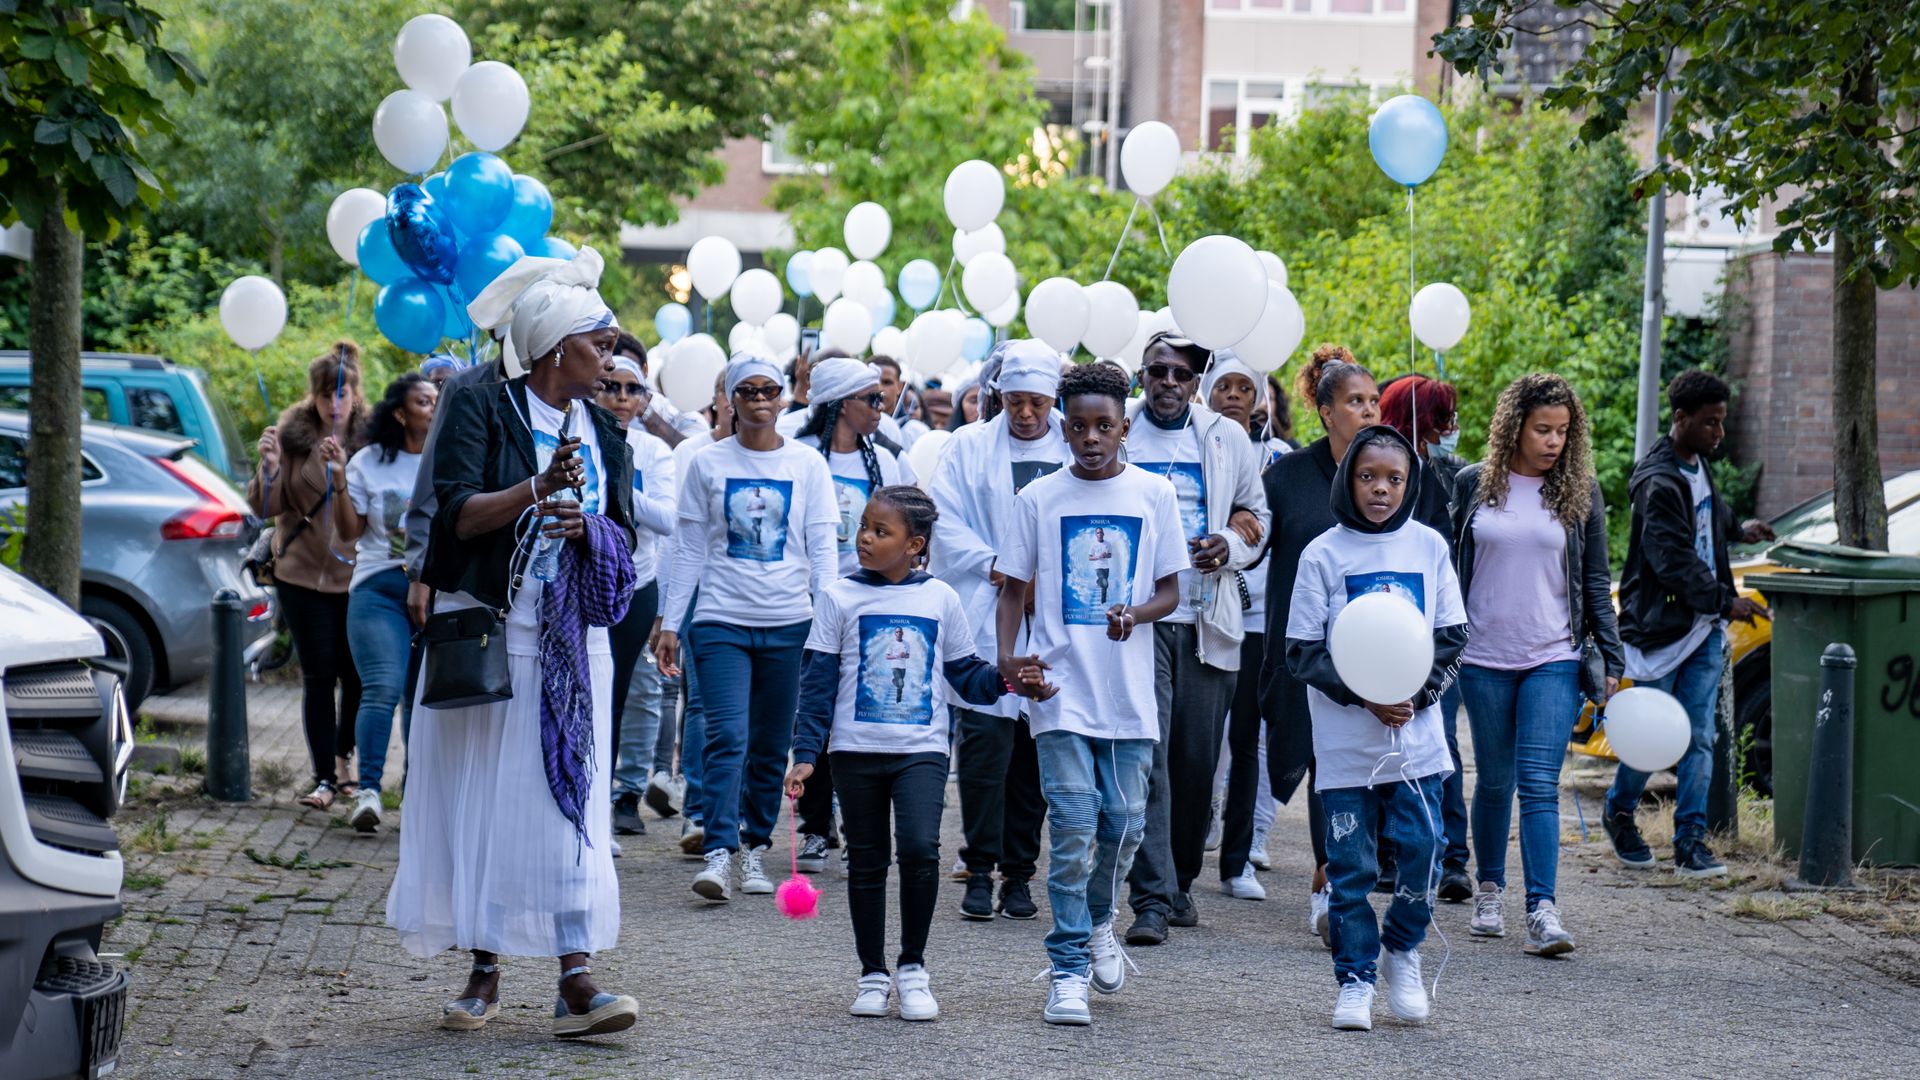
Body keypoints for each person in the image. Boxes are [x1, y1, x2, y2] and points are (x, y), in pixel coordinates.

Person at [391, 245, 642, 1038]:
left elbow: (626, 532)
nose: (610, 354)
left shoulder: (603, 428)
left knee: (572, 797)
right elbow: (459, 512)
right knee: (490, 799)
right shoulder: (480, 405)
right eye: (597, 342)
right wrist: (537, 491)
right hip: (499, 633)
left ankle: (576, 976)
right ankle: (484, 967)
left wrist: (586, 526)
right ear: (552, 348)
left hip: (577, 644)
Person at [785, 486, 1035, 1021]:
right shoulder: (838, 597)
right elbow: (817, 682)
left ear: (915, 544)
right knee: (868, 861)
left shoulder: (941, 598)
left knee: (921, 850)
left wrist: (1010, 681)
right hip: (853, 752)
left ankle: (913, 967)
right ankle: (872, 972)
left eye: (882, 531)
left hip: (920, 751)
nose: (866, 539)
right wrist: (807, 752)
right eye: (865, 527)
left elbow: (966, 673)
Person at [994, 361, 1188, 1026]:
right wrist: (1009, 658)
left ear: (1124, 426)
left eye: (1104, 425)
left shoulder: (1153, 495)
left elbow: (1171, 588)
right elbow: (1014, 588)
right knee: (1075, 827)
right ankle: (1069, 965)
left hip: (1129, 694)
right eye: (1077, 426)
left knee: (1125, 824)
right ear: (1062, 428)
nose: (1091, 437)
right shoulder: (1038, 499)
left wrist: (1137, 612)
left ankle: (1102, 918)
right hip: (1059, 691)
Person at [1257, 346, 1452, 938]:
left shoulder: (1420, 518)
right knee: (1331, 777)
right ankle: (1333, 889)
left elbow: (1448, 624)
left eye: (1373, 400)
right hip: (1319, 662)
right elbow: (1257, 542)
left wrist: (1414, 692)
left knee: (1414, 821)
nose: (1368, 410)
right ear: (1324, 410)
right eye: (1355, 401)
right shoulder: (1291, 482)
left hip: (1408, 695)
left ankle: (1398, 930)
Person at [1285, 424, 1467, 1031]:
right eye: (1368, 477)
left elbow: (1452, 636)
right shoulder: (1323, 554)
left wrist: (1415, 695)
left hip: (1415, 742)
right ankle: (1356, 977)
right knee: (1351, 866)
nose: (1381, 489)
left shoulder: (1429, 548)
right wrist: (1364, 696)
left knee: (1424, 850)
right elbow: (1302, 650)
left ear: (1410, 482)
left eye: (1394, 478)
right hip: (1344, 748)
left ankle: (1403, 950)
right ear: (1348, 480)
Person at [1450, 374, 1623, 954]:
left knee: (1540, 785)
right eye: (1542, 429)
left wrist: (1613, 660)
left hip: (1554, 654)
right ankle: (1490, 891)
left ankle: (1543, 910)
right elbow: (1451, 568)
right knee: (1494, 781)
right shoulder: (1474, 484)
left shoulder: (1580, 492)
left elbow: (1595, 581)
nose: (1553, 441)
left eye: (1563, 431)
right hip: (1482, 657)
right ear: (1515, 426)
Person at [657, 354, 838, 903]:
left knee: (767, 746)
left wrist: (827, 622)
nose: (760, 400)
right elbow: (688, 548)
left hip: (789, 624)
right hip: (719, 621)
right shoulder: (707, 463)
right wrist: (670, 620)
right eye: (748, 391)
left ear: (784, 398)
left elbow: (824, 551)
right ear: (730, 400)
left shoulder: (807, 465)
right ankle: (718, 850)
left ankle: (755, 848)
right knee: (726, 737)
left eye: (770, 391)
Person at [1122, 333, 1270, 945]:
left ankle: (1180, 879)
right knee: (1146, 756)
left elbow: (1255, 520)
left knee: (1194, 763)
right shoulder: (1119, 428)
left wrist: (1228, 545)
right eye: (1157, 370)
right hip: (1137, 622)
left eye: (1181, 373)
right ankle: (1150, 898)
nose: (1168, 381)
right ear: (1142, 375)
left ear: (1197, 380)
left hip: (1208, 620)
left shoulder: (1224, 437)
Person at [1603, 369, 1773, 879]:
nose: (1719, 433)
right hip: (1661, 627)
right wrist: (1728, 601)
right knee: (1652, 734)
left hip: (1703, 630)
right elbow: (1671, 557)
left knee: (1699, 737)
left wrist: (1738, 528)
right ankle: (1618, 809)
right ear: (1681, 419)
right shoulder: (1657, 481)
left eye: (1721, 422)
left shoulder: (1696, 464)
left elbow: (1706, 513)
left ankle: (1689, 842)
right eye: (1710, 423)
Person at [928, 342, 1069, 922]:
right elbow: (944, 518)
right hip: (988, 609)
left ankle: (1019, 874)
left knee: (1034, 756)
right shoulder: (967, 446)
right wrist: (1000, 568)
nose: (1027, 413)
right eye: (1015, 401)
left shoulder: (1074, 440)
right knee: (986, 751)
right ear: (998, 396)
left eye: (1037, 402)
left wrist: (1046, 579)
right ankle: (978, 868)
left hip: (1053, 614)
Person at [789, 356, 919, 868]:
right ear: (842, 405)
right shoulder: (799, 455)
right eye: (871, 399)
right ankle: (815, 826)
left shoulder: (887, 460)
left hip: (872, 604)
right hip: (807, 602)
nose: (881, 406)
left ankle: (858, 824)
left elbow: (914, 516)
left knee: (858, 712)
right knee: (816, 710)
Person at [248, 342, 369, 810]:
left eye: (341, 394)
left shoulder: (373, 442)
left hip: (356, 577)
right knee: (318, 676)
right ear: (313, 397)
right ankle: (323, 778)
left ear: (356, 395)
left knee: (356, 677)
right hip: (299, 576)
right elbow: (265, 508)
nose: (332, 404)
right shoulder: (293, 436)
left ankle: (345, 760)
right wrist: (271, 468)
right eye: (324, 395)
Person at [328, 371, 437, 831]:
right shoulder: (368, 462)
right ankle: (368, 792)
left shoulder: (449, 458)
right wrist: (337, 478)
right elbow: (350, 535)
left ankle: (418, 795)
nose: (434, 407)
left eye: (436, 400)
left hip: (436, 593)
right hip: (378, 587)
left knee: (423, 699)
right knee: (383, 686)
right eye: (424, 401)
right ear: (400, 413)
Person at [1379, 372, 1472, 898]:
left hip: (1433, 624)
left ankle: (1451, 854)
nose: (1451, 429)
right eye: (1442, 419)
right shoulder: (1378, 470)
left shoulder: (1447, 475)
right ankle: (1390, 850)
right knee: (1383, 737)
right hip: (1380, 626)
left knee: (1441, 740)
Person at [1203, 352, 1283, 901]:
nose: (1233, 394)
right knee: (1200, 737)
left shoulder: (1279, 459)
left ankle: (1242, 852)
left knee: (1248, 738)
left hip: (1258, 619)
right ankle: (1195, 826)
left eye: (1244, 387)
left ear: (1259, 399)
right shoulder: (1194, 447)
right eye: (1223, 385)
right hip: (1201, 611)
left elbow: (1272, 533)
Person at [597, 353, 678, 839]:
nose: (622, 398)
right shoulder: (577, 434)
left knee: (625, 696)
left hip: (637, 584)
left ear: (645, 399)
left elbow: (666, 518)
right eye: (612, 387)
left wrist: (619, 482)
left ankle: (618, 801)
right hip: (581, 586)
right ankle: (583, 804)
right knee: (590, 698)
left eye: (633, 389)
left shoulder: (653, 452)